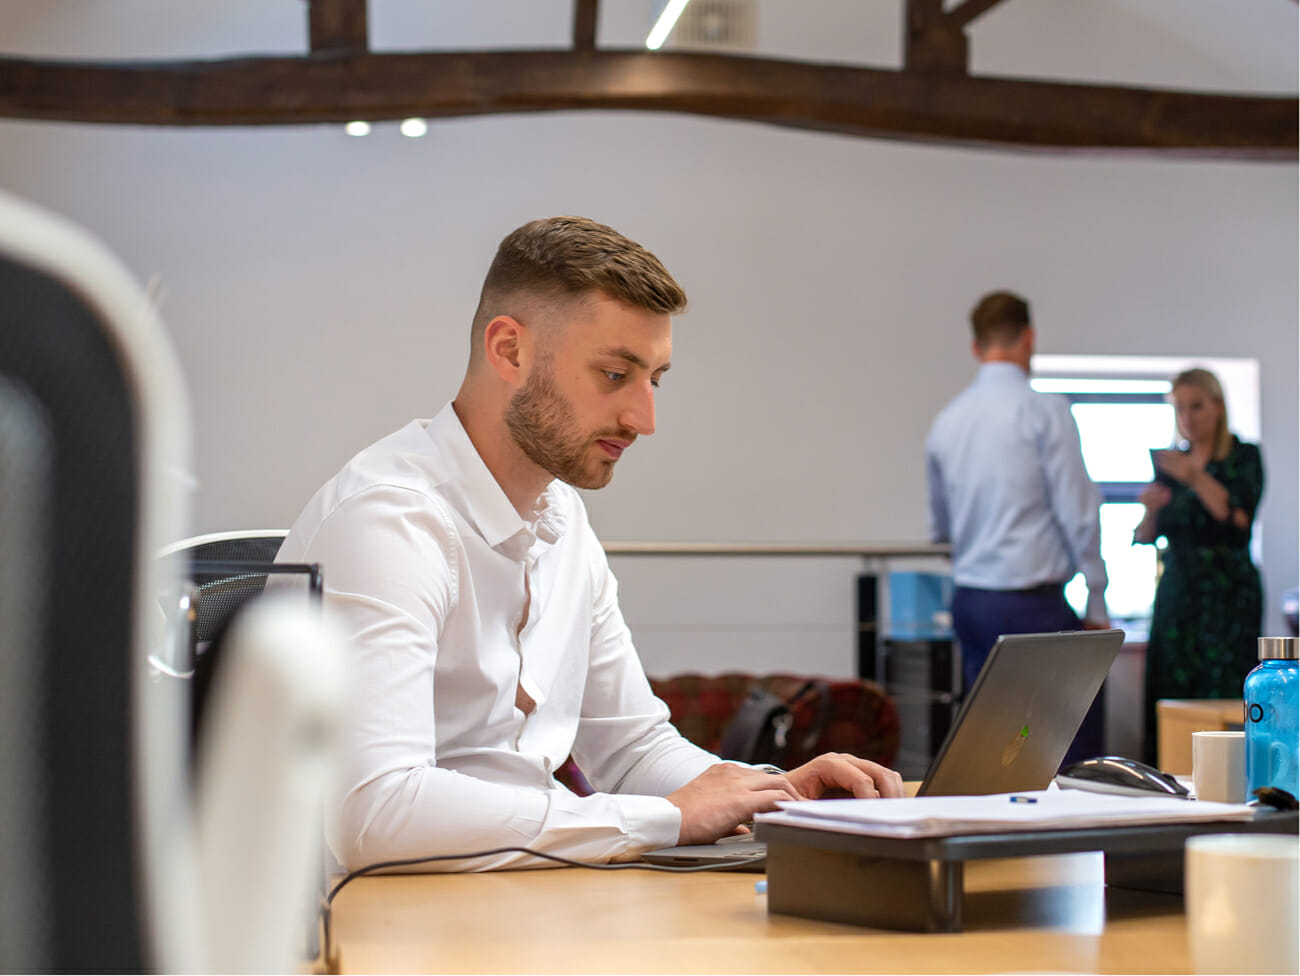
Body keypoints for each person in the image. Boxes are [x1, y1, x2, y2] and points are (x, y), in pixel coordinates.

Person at [277, 216, 902, 873]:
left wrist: (771, 793)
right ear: (510, 351)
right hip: (366, 931)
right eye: (614, 374)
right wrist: (665, 819)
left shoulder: (563, 521)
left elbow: (631, 748)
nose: (645, 419)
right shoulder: (389, 522)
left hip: (509, 907)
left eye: (654, 379)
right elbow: (377, 815)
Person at [925, 290, 1110, 767]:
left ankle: (993, 840)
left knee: (991, 749)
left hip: (972, 602)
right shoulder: (1045, 411)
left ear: (975, 347)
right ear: (1029, 339)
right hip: (1034, 607)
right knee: (1068, 747)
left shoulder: (947, 422)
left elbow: (940, 528)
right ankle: (1073, 838)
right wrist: (1096, 592)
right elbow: (1079, 511)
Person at [1134, 367, 1264, 765]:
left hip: (1228, 594)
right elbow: (1145, 536)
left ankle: (1228, 777)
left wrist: (1193, 474)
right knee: (1172, 685)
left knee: (1222, 687)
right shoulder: (1171, 465)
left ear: (1218, 407)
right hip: (1179, 590)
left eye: (1196, 406)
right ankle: (1172, 776)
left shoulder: (1243, 457)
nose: (1187, 418)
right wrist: (1149, 511)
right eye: (1180, 409)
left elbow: (1236, 516)